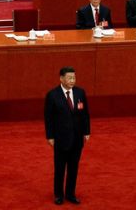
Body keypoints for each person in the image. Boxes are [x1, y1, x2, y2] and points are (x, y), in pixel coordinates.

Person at [44, 66, 90, 206]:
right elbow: (48, 118)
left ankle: (70, 194)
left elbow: (85, 114)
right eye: (69, 78)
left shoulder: (80, 92)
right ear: (61, 78)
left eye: (74, 78)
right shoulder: (52, 95)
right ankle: (59, 195)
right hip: (60, 138)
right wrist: (50, 136)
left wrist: (87, 132)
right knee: (59, 168)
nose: (72, 80)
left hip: (77, 138)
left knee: (73, 168)